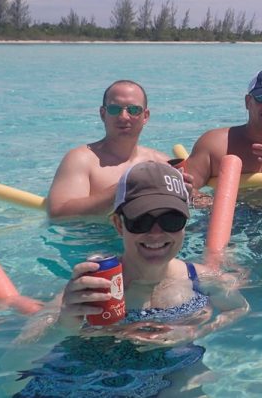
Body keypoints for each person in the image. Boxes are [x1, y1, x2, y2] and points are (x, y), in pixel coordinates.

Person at [15, 161, 248, 397]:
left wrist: (193, 332)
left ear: (185, 224)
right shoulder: (94, 287)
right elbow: (14, 360)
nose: (156, 233)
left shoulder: (202, 280)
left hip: (168, 376)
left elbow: (239, 310)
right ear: (119, 224)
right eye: (141, 221)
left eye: (171, 220)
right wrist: (63, 325)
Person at [46, 80, 172, 219]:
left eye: (134, 110)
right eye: (114, 109)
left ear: (145, 116)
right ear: (102, 114)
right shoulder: (81, 160)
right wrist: (121, 190)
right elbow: (58, 212)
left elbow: (195, 202)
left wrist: (191, 195)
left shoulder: (162, 163)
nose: (124, 117)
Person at [184, 68, 262, 196]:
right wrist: (206, 201)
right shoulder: (214, 144)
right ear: (248, 102)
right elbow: (183, 189)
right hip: (230, 212)